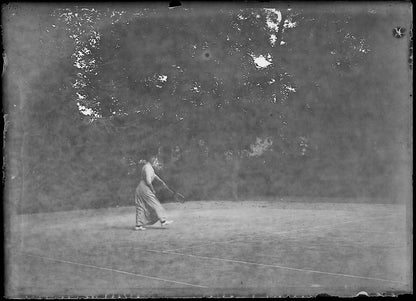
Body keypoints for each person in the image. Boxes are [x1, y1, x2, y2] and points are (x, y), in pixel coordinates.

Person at [135, 155, 173, 230]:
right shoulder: (148, 167)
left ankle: (138, 226)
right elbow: (149, 181)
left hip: (139, 188)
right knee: (156, 204)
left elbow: (155, 176)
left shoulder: (148, 167)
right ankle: (163, 221)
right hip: (145, 188)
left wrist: (162, 182)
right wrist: (152, 190)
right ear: (151, 159)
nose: (156, 161)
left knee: (140, 206)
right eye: (154, 159)